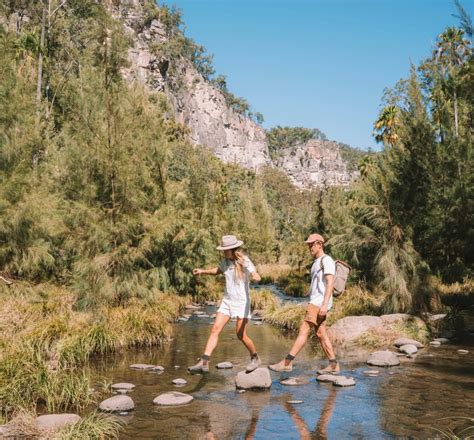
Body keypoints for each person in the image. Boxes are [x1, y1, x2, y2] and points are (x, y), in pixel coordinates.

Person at [188, 235, 262, 374]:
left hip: (242, 303)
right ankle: (204, 362)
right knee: (215, 329)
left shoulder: (244, 261)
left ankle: (255, 358)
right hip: (227, 301)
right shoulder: (225, 262)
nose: (223, 252)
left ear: (232, 249)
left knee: (241, 335)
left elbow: (254, 272)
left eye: (225, 250)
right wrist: (203, 271)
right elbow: (217, 271)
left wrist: (256, 276)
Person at [269, 233, 340, 374]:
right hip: (315, 301)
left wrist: (325, 305)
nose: (309, 248)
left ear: (319, 244)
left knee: (304, 330)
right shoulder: (316, 262)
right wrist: (308, 294)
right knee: (321, 334)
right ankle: (333, 365)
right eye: (308, 245)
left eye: (311, 245)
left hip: (319, 303)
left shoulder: (326, 260)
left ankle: (287, 362)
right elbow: (319, 283)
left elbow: (330, 283)